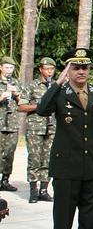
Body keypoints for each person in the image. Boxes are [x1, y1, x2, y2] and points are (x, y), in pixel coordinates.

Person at [34, 47, 93, 229]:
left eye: (84, 67)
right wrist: (57, 83)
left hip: (92, 166)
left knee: (90, 220)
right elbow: (41, 109)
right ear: (68, 69)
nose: (81, 71)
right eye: (75, 67)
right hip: (66, 166)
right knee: (63, 219)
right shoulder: (60, 92)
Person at [18, 57, 57, 203]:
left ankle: (44, 190)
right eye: (47, 69)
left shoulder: (55, 86)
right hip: (35, 127)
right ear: (40, 69)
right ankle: (33, 191)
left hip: (52, 127)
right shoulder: (32, 86)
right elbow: (21, 107)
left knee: (48, 159)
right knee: (34, 159)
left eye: (52, 69)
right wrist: (39, 106)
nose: (49, 72)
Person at [0, 56, 22, 192]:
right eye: (7, 67)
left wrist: (16, 93)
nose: (9, 70)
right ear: (1, 67)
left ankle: (5, 180)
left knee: (9, 153)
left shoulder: (15, 82)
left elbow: (23, 103)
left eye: (11, 68)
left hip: (12, 123)